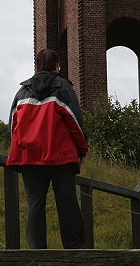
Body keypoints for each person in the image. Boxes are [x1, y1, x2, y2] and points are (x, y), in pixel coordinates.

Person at [7, 49, 88, 249]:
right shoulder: (63, 87)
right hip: (61, 155)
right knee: (67, 202)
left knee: (35, 204)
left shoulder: (22, 92)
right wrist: (81, 150)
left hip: (29, 156)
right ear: (57, 66)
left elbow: (13, 126)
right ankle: (74, 249)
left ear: (36, 66)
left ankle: (37, 251)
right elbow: (75, 122)